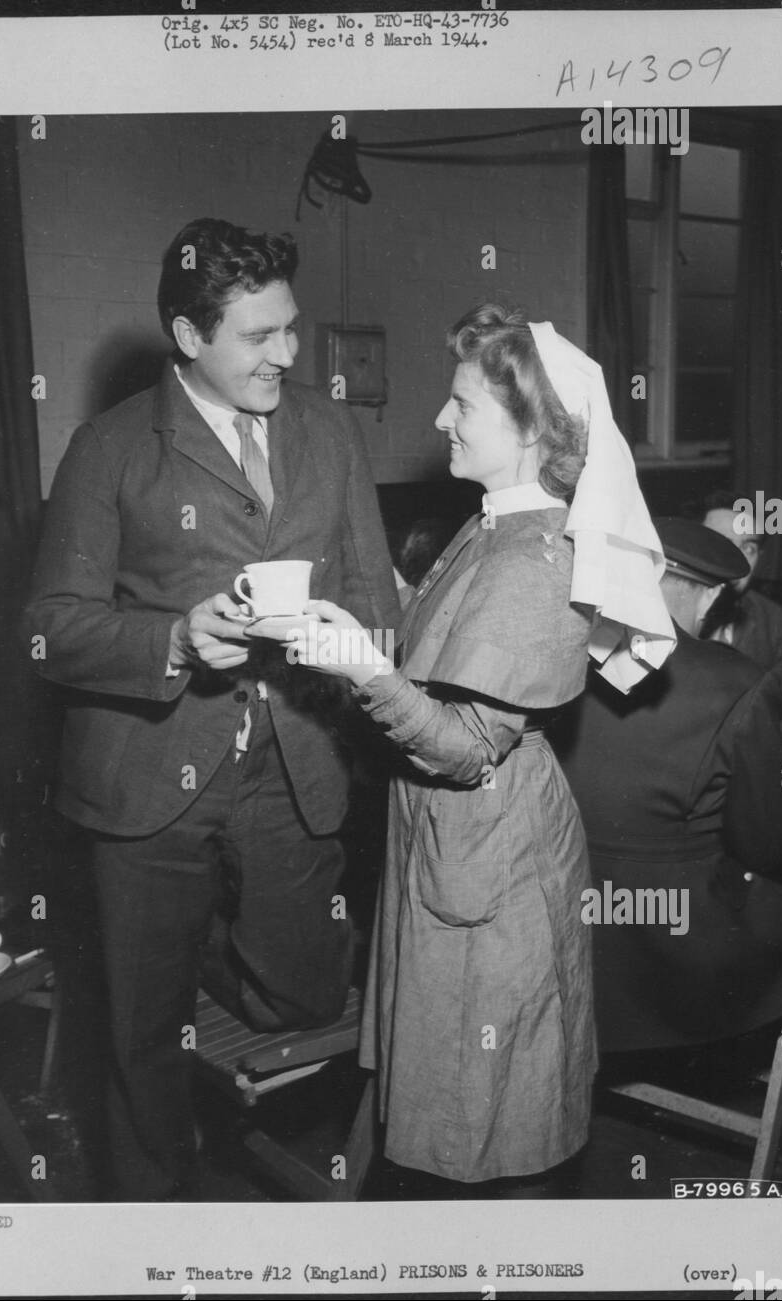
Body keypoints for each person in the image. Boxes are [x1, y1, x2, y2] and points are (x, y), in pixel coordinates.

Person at [24, 217, 400, 1200]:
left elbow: (375, 598)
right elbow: (50, 627)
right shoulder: (109, 447)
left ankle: (186, 954)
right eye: (258, 335)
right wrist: (176, 639)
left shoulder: (328, 431)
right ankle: (153, 1223)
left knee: (305, 995)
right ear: (189, 336)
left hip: (293, 763)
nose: (288, 353)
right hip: (148, 774)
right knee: (141, 1037)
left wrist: (358, 655)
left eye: (290, 328)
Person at [274, 305, 674, 1185]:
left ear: (531, 429)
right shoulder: (495, 523)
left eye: (462, 405)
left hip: (489, 851)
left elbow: (466, 748)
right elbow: (439, 648)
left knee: (491, 1105)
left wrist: (361, 667)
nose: (439, 420)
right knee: (452, 1085)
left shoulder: (537, 560)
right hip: (452, 841)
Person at [553, 518, 782, 1054]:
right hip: (672, 953)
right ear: (710, 596)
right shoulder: (739, 682)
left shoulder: (565, 653)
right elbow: (765, 842)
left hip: (564, 931)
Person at [701, 491, 782, 773]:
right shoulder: (661, 616)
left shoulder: (771, 619)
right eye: (721, 543)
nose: (735, 560)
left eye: (748, 548)